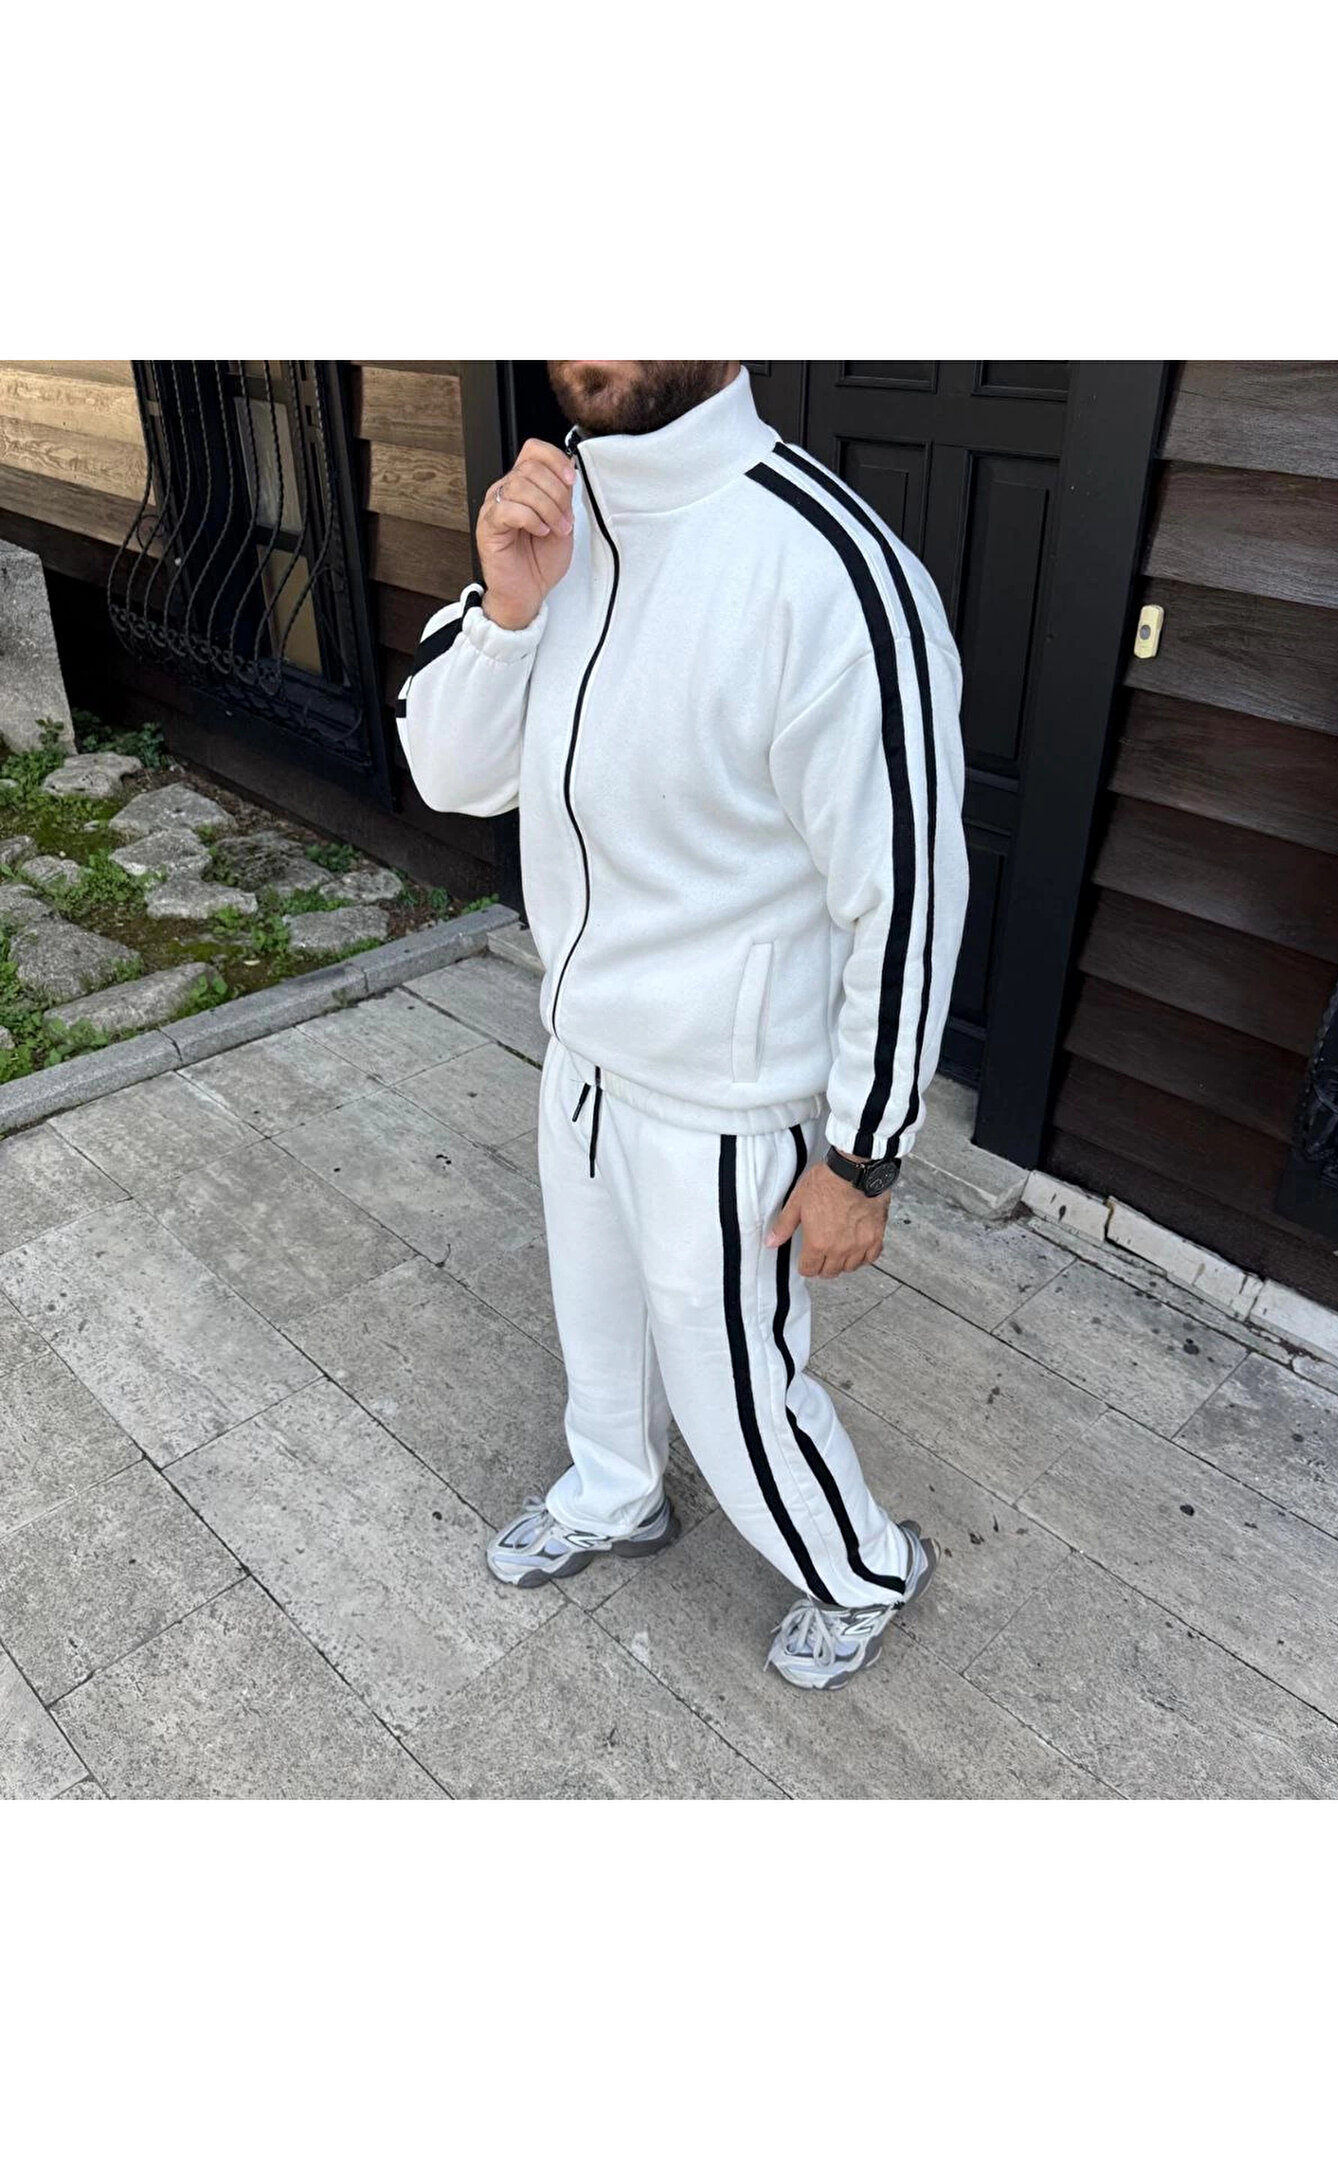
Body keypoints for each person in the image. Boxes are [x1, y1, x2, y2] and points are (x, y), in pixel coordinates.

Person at [397, 361, 968, 1690]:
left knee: (732, 1386)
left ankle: (863, 1568)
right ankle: (614, 1492)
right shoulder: (552, 518)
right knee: (597, 1328)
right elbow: (450, 773)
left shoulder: (830, 571)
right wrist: (510, 613)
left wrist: (864, 1155)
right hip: (582, 1051)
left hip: (725, 1095)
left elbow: (906, 891)